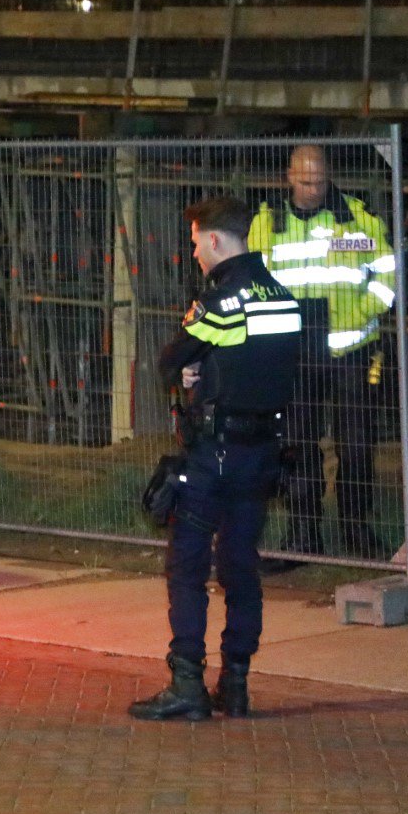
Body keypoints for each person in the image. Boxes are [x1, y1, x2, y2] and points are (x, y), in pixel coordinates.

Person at [130, 195, 302, 722]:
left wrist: (189, 374)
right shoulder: (284, 298)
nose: (196, 256)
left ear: (215, 240)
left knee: (186, 565)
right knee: (241, 567)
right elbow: (250, 363)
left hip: (214, 453)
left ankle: (187, 685)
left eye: (196, 245)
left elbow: (170, 359)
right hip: (263, 453)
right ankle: (237, 683)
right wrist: (206, 374)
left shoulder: (222, 301)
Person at [248, 145, 396, 571]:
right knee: (296, 446)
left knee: (357, 443)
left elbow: (387, 274)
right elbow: (253, 282)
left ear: (328, 176)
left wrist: (361, 312)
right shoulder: (268, 224)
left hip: (351, 349)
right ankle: (303, 535)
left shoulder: (356, 218)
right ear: (288, 177)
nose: (312, 189)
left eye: (319, 180)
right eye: (304, 181)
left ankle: (356, 529)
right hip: (294, 354)